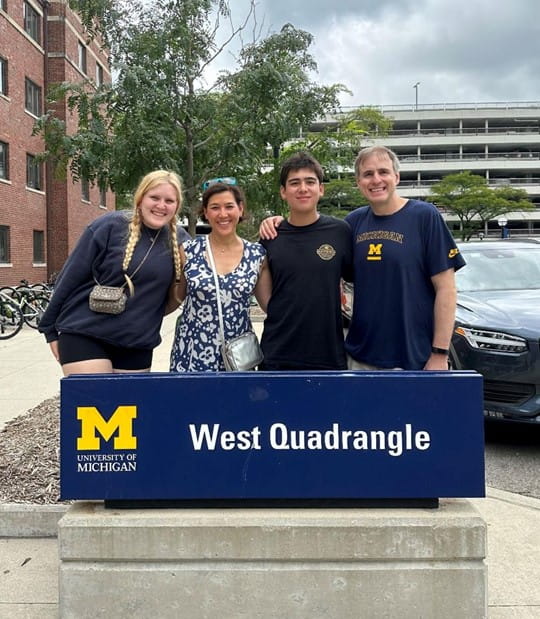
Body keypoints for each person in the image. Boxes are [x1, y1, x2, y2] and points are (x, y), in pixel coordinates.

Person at [38, 170, 189, 375]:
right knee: (95, 401)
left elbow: (187, 289)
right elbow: (70, 277)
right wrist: (49, 329)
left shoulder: (181, 241)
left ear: (177, 206)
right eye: (154, 197)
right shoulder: (109, 226)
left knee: (129, 406)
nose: (161, 205)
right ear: (140, 198)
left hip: (137, 342)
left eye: (169, 200)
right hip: (85, 334)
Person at [345, 145, 465, 370]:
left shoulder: (424, 217)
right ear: (358, 182)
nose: (376, 179)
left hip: (415, 357)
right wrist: (279, 223)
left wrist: (439, 353)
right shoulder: (353, 223)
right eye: (368, 174)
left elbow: (446, 289)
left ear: (396, 177)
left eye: (383, 172)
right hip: (361, 357)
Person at [258, 151, 353, 371]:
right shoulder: (270, 236)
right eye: (294, 183)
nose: (302, 188)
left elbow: (355, 285)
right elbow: (267, 300)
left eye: (310, 181)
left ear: (321, 189)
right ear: (283, 192)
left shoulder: (340, 232)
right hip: (278, 352)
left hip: (327, 353)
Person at [169, 182, 271, 372]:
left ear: (240, 209)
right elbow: (176, 297)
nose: (223, 214)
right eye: (215, 208)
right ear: (206, 213)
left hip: (238, 357)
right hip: (192, 352)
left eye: (229, 206)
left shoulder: (257, 255)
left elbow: (270, 305)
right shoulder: (189, 251)